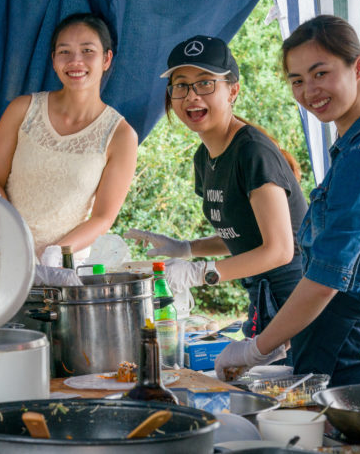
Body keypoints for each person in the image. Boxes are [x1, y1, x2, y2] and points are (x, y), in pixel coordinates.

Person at [215, 15, 360, 386]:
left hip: (346, 343)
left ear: (357, 67)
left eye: (320, 73)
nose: (309, 90)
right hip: (339, 334)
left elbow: (326, 279)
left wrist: (257, 348)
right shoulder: (357, 146)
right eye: (297, 80)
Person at [125, 35, 308, 346]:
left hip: (297, 301)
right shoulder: (204, 157)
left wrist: (200, 273)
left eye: (206, 83)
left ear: (233, 90)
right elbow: (242, 234)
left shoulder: (252, 152)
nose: (191, 96)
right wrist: (187, 248)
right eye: (180, 85)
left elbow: (279, 249)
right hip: (262, 300)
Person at [0, 13, 138, 260]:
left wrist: (55, 253)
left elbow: (103, 217)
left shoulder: (120, 134)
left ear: (107, 59)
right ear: (53, 60)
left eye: (88, 51)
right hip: (2, 251)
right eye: (65, 52)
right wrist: (16, 240)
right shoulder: (23, 109)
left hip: (65, 265)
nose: (76, 61)